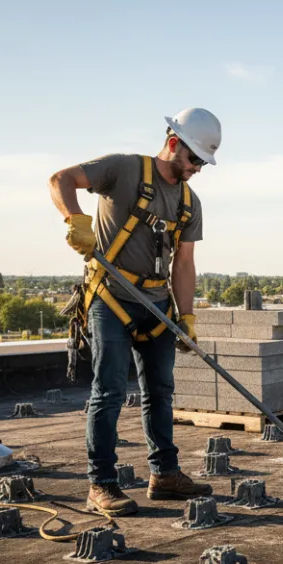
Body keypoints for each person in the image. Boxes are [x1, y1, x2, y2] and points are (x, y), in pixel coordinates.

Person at [48, 108, 222, 515]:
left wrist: (187, 316)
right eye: (194, 159)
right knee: (108, 393)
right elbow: (61, 180)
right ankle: (101, 484)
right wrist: (74, 218)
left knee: (160, 392)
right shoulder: (123, 170)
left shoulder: (188, 201)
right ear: (174, 144)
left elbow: (184, 263)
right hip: (111, 297)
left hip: (157, 304)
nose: (197, 169)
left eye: (203, 163)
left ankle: (164, 475)